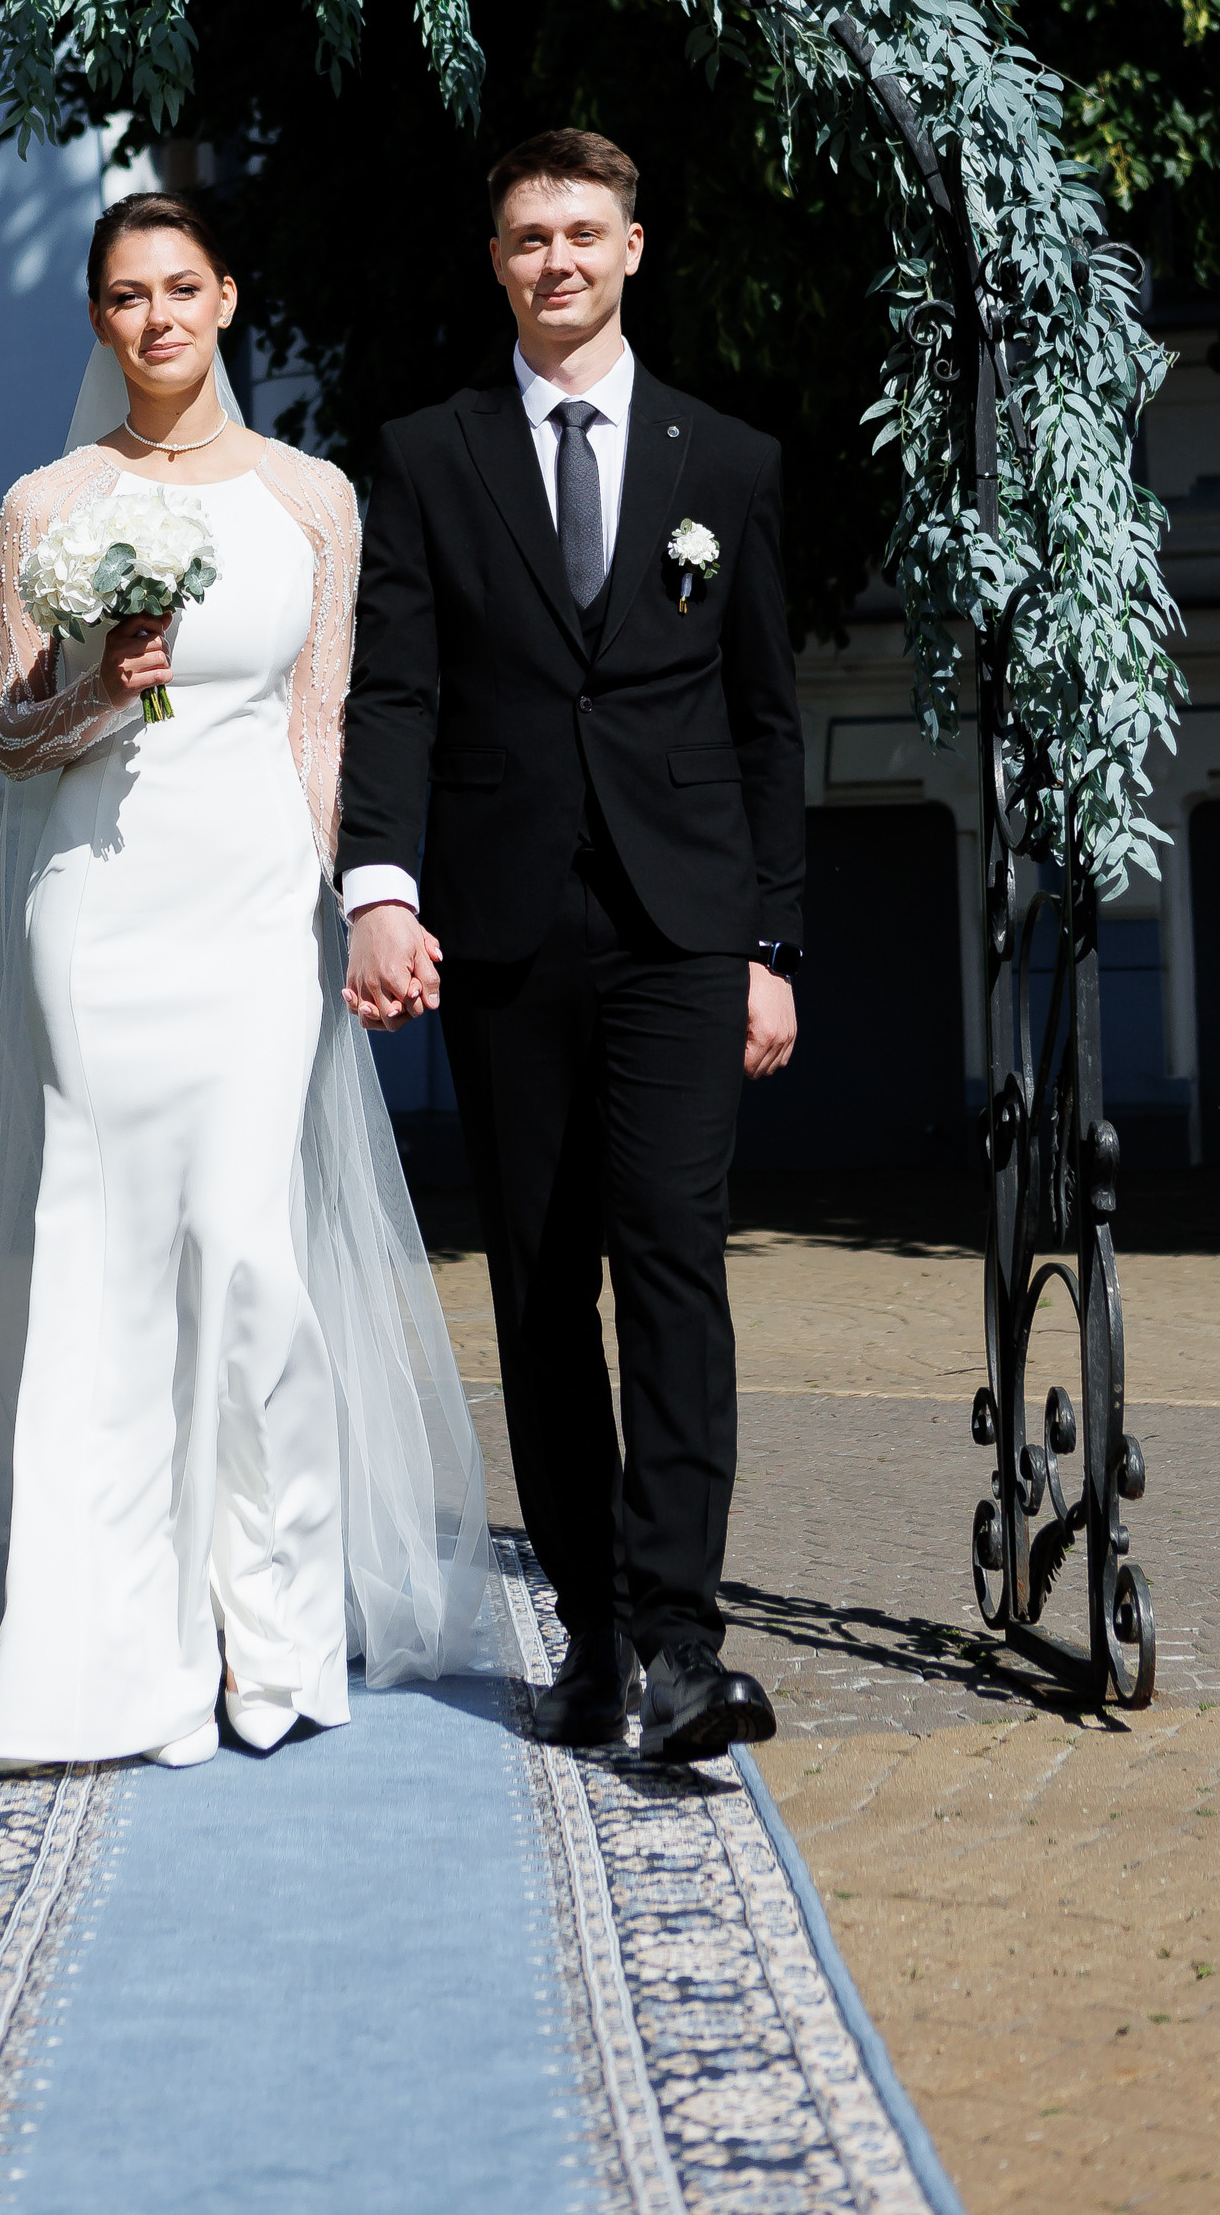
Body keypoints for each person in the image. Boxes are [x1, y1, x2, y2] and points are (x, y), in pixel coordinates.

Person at [0, 192, 487, 1769]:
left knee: (249, 1257)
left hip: (252, 911)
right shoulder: (44, 505)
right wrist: (96, 684)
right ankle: (105, 1659)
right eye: (124, 296)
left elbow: (322, 723)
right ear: (99, 321)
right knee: (106, 1267)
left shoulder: (312, 502)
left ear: (226, 299)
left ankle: (270, 1648)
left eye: (180, 288)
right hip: (96, 912)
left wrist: (353, 902)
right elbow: (8, 735)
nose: (154, 318)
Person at [337, 129, 803, 1764]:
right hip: (506, 925)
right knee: (542, 1288)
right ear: (497, 261)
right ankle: (594, 1642)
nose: (555, 260)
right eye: (528, 236)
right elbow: (394, 688)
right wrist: (376, 889)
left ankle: (682, 1645)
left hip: (682, 930)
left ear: (632, 249)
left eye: (582, 233)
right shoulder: (427, 453)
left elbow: (763, 726)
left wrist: (771, 941)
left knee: (673, 1268)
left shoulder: (724, 460)